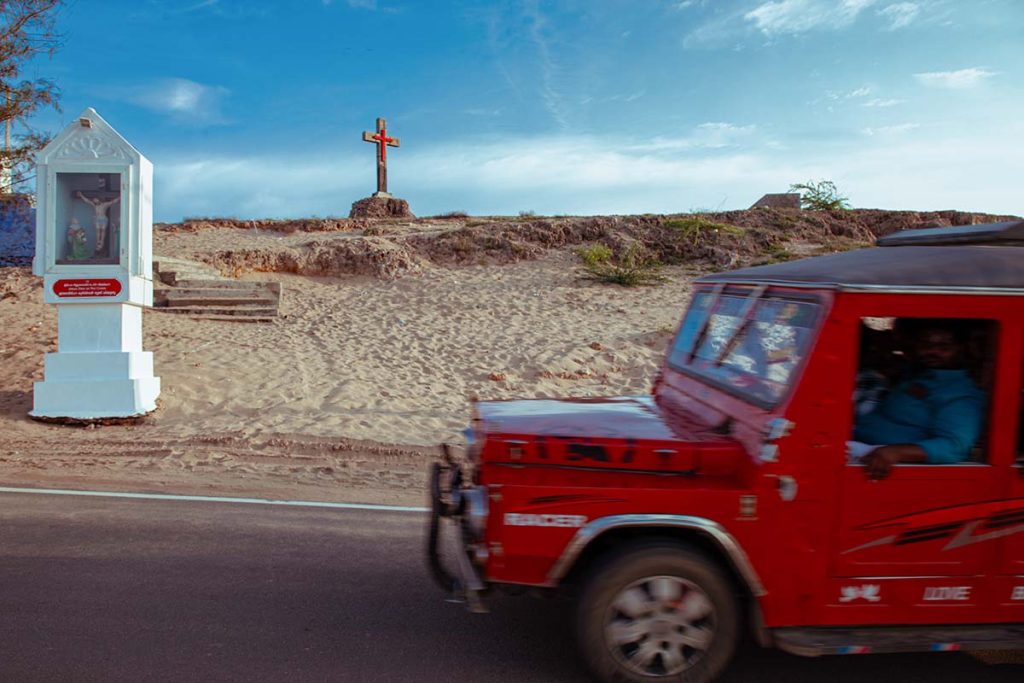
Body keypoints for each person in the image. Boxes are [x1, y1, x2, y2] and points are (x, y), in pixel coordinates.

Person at [853, 321, 984, 480]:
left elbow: (953, 447)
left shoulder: (960, 395)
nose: (931, 351)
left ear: (961, 348)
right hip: (858, 437)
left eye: (944, 346)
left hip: (880, 456)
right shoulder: (917, 374)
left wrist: (894, 452)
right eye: (924, 344)